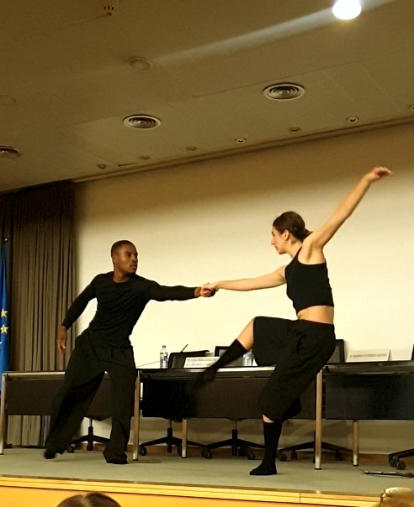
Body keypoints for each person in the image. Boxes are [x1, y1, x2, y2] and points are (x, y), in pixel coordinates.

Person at [197, 167, 391, 475]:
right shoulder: (287, 270)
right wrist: (218, 283)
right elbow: (253, 282)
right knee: (257, 325)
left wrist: (366, 181)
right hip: (301, 332)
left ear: (286, 233)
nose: (271, 242)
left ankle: (269, 462)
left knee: (269, 402)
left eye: (273, 235)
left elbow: (340, 216)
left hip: (317, 336)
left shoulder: (311, 250)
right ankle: (216, 368)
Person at [44, 240, 214, 464]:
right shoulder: (100, 281)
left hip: (120, 350)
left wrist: (196, 291)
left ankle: (115, 451)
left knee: (123, 401)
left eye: (136, 255)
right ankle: (55, 443)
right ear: (115, 258)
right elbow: (80, 302)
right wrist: (63, 326)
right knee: (69, 392)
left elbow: (166, 292)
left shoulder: (141, 287)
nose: (134, 259)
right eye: (129, 255)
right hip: (91, 345)